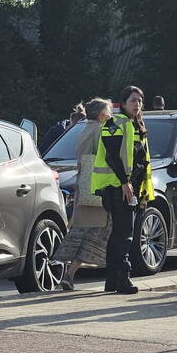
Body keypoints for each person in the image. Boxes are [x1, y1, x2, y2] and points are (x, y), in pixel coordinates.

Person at [90, 86, 154, 294]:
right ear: (123, 103)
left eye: (140, 101)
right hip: (117, 187)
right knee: (124, 234)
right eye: (133, 100)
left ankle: (112, 280)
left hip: (130, 187)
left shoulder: (136, 124)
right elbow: (111, 157)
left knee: (119, 234)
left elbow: (139, 161)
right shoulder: (115, 123)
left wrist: (139, 189)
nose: (137, 104)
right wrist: (124, 183)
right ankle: (122, 279)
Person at [57, 98, 113, 290]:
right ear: (101, 114)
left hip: (83, 186)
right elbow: (106, 158)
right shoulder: (100, 130)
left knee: (79, 229)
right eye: (108, 111)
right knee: (97, 232)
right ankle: (71, 272)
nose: (110, 115)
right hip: (97, 188)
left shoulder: (83, 130)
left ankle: (68, 271)